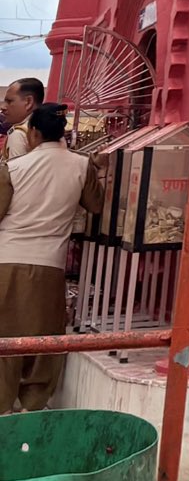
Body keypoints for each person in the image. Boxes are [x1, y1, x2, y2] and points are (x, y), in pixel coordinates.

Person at [0, 102, 104, 413]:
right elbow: (96, 206)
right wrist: (99, 169)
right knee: (45, 341)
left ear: (33, 133)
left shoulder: (13, 169)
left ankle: (3, 411)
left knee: (5, 341)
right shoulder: (81, 166)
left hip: (7, 261)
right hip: (51, 265)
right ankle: (34, 407)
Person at [2, 77, 44, 163]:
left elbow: (16, 175)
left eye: (9, 101)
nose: (2, 107)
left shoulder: (19, 134)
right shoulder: (52, 129)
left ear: (28, 102)